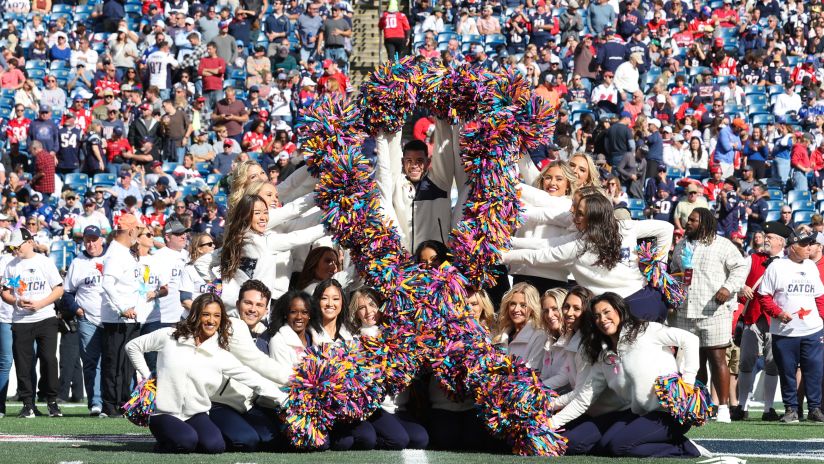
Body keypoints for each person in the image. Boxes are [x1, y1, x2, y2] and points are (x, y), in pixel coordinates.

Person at [125, 293, 286, 454]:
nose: (211, 320)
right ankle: (166, 443)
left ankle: (183, 436)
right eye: (206, 314)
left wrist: (283, 399)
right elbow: (132, 346)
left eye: (217, 316)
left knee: (215, 446)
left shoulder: (219, 354)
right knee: (186, 441)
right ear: (195, 315)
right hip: (164, 412)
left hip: (196, 415)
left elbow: (253, 379)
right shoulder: (169, 336)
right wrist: (148, 378)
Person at [551, 293, 705, 458]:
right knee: (605, 446)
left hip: (670, 413)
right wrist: (552, 423)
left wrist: (687, 382)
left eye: (606, 312)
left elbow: (690, 340)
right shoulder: (605, 357)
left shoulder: (646, 330)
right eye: (597, 316)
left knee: (619, 448)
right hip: (641, 415)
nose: (602, 319)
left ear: (619, 310)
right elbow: (583, 400)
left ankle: (684, 447)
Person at [504, 192, 674, 322]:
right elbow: (666, 228)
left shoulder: (579, 247)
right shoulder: (623, 227)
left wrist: (658, 266)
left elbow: (536, 257)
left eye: (579, 213)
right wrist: (508, 242)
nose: (574, 216)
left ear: (593, 217)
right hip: (649, 301)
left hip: (631, 311)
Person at [670, 208, 750, 424]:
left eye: (693, 220)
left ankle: (723, 407)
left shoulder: (723, 245)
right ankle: (699, 405)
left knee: (717, 359)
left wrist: (728, 287)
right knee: (691, 363)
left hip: (713, 311)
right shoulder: (681, 245)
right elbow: (674, 272)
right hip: (685, 312)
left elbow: (740, 268)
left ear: (704, 223)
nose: (688, 223)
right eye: (688, 220)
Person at [756, 228, 824, 424]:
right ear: (793, 247)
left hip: (812, 329)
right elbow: (764, 296)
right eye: (805, 244)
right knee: (787, 372)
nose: (809, 247)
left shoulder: (811, 266)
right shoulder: (777, 267)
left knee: (814, 370)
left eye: (810, 244)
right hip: (785, 331)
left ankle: (814, 408)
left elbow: (819, 297)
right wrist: (777, 313)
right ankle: (791, 409)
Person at [350, 287, 429, 450]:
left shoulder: (396, 335)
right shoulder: (355, 341)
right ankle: (369, 436)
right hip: (376, 409)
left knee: (421, 439)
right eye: (362, 308)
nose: (368, 311)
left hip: (399, 408)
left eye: (372, 305)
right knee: (399, 441)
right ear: (356, 313)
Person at [219, 194, 323, 314]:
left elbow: (203, 262)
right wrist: (330, 224)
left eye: (265, 212)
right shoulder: (262, 242)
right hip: (255, 313)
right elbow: (299, 238)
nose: (263, 218)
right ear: (245, 215)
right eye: (257, 213)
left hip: (235, 310)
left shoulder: (234, 240)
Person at [1, 228, 64, 418]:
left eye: (17, 245)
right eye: (11, 246)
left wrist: (40, 304)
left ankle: (52, 402)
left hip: (45, 318)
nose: (14, 249)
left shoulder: (44, 262)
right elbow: (5, 292)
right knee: (23, 363)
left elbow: (59, 289)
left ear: (29, 242)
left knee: (48, 360)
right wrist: (17, 301)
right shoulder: (11, 265)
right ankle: (28, 404)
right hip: (20, 320)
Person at [732, 221, 786, 421]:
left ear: (780, 242)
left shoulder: (788, 263)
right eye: (765, 236)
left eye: (770, 237)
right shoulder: (752, 259)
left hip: (776, 319)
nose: (765, 240)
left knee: (773, 364)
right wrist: (740, 287)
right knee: (746, 362)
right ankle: (742, 406)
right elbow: (736, 278)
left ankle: (768, 409)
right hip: (753, 316)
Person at [99, 213, 143, 417]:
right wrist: (122, 307)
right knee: (115, 364)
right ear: (131, 230)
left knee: (124, 365)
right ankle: (112, 405)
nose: (139, 235)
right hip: (118, 319)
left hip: (128, 318)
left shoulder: (123, 252)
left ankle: (122, 402)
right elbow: (107, 283)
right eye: (138, 231)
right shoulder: (116, 254)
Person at [61, 225, 108, 416]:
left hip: (112, 319)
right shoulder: (77, 262)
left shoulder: (111, 258)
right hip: (88, 318)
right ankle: (95, 402)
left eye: (94, 239)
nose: (91, 244)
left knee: (113, 361)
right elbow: (67, 293)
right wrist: (78, 310)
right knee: (91, 362)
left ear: (101, 240)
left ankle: (114, 400)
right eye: (87, 240)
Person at [512, 161, 576, 292]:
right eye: (548, 178)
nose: (552, 183)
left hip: (553, 277)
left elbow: (543, 201)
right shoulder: (526, 200)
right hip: (522, 273)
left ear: (568, 184)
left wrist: (511, 184)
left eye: (559, 179)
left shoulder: (569, 206)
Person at [492, 283, 546, 369]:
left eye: (523, 305)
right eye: (513, 304)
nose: (516, 309)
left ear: (532, 308)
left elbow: (533, 371)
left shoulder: (539, 336)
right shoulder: (502, 335)